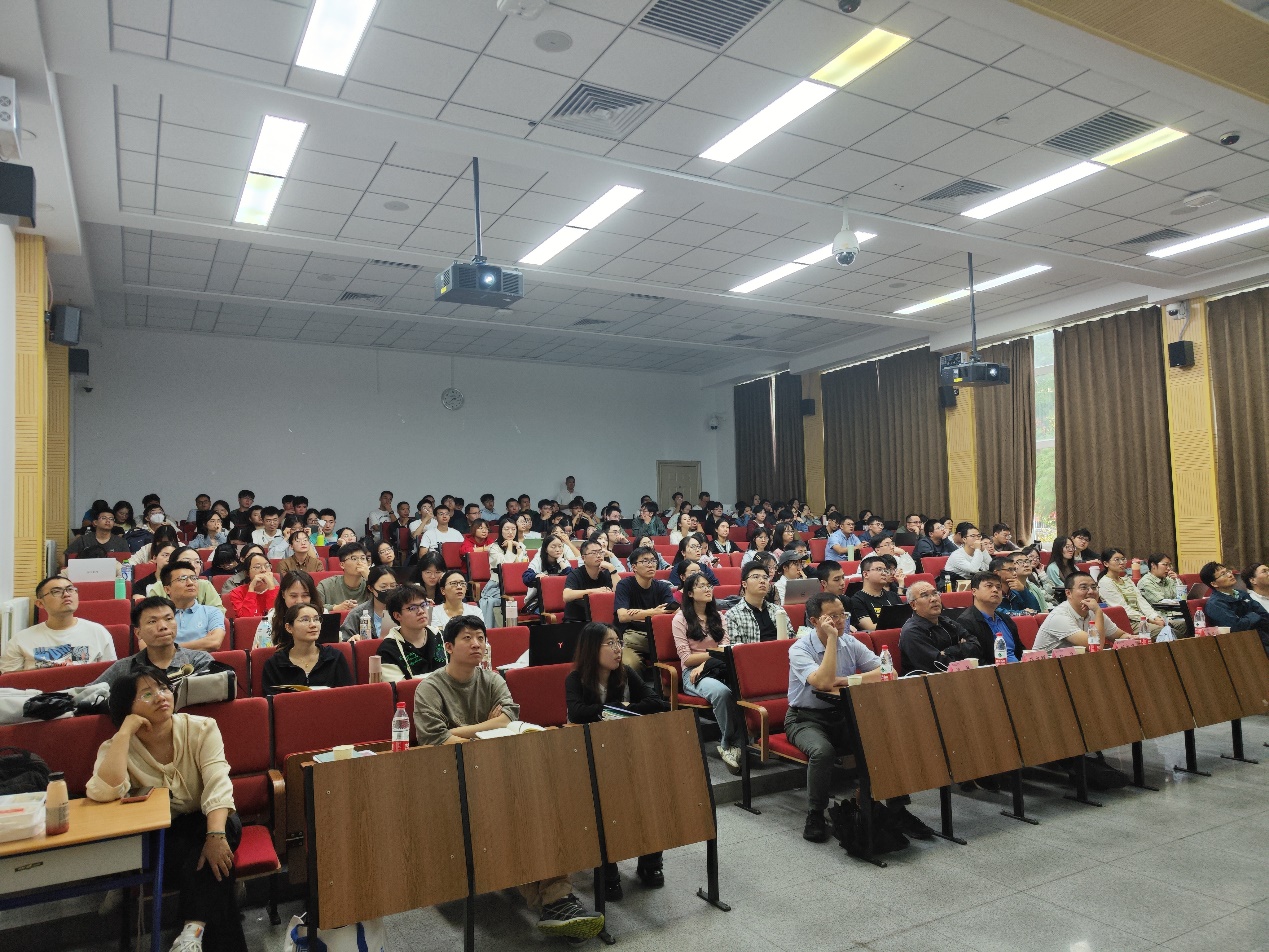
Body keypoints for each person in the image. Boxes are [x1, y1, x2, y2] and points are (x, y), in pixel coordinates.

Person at [413, 616, 604, 938]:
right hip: (453, 778)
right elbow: (435, 739)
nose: (476, 644)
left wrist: (461, 731)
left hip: (500, 771)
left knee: (541, 809)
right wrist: (482, 731)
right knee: (512, 818)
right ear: (448, 647)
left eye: (480, 637)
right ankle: (556, 902)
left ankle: (557, 901)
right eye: (467, 638)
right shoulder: (429, 688)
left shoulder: (492, 679)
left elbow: (507, 719)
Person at [88, 668, 247, 952]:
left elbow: (218, 782)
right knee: (216, 870)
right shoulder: (118, 747)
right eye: (147, 694)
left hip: (208, 820)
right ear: (127, 707)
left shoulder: (201, 728)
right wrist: (124, 732)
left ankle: (192, 934)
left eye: (163, 688)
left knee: (223, 832)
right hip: (163, 835)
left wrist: (215, 835)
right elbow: (103, 791)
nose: (161, 697)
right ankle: (191, 933)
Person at [786, 593, 929, 843]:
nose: (840, 621)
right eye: (832, 617)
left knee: (884, 742)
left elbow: (888, 671)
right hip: (805, 718)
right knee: (822, 752)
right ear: (814, 621)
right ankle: (815, 813)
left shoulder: (850, 642)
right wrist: (832, 639)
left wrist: (846, 680)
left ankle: (897, 810)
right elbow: (822, 682)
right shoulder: (800, 649)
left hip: (845, 714)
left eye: (842, 614)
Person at [564, 622, 669, 899]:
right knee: (603, 805)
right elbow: (577, 712)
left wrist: (621, 708)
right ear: (592, 649)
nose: (617, 649)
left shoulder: (626, 674)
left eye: (618, 643)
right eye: (610, 643)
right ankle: (607, 870)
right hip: (589, 756)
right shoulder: (575, 679)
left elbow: (656, 702)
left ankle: (650, 862)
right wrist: (617, 709)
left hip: (628, 752)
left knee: (652, 795)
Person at [673, 574, 746, 772]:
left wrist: (708, 661)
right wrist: (713, 656)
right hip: (693, 674)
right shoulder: (680, 619)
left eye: (709, 585)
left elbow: (726, 647)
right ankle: (728, 744)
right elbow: (687, 659)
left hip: (717, 667)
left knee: (746, 686)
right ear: (690, 593)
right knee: (722, 692)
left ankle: (747, 738)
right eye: (701, 586)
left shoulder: (718, 616)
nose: (707, 589)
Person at [1, 576, 117, 671]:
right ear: (40, 603)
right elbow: (11, 682)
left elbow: (110, 676)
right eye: (56, 591)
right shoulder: (20, 640)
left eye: (70, 589)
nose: (66, 594)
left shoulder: (98, 632)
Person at [95, 597, 215, 689]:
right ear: (138, 633)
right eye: (152, 621)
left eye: (169, 619)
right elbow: (88, 695)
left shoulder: (200, 661)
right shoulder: (123, 668)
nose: (163, 626)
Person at [261, 604, 354, 695]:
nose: (313, 625)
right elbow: (271, 702)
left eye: (316, 619)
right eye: (305, 620)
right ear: (289, 628)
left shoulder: (334, 657)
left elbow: (347, 696)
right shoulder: (275, 664)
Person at [613, 547, 677, 677]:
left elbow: (674, 612)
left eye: (653, 560)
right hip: (632, 638)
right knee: (630, 664)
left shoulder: (662, 587)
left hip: (657, 636)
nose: (650, 564)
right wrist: (654, 612)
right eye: (645, 561)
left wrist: (639, 614)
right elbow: (623, 616)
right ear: (634, 567)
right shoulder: (625, 585)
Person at [898, 581, 981, 673]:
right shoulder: (912, 632)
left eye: (935, 593)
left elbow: (976, 646)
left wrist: (948, 651)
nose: (933, 599)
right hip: (927, 680)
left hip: (960, 675)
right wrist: (963, 650)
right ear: (913, 605)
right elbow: (940, 665)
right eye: (925, 595)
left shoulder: (946, 621)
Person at [1033, 572, 1126, 652]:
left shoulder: (1093, 610)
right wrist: (1098, 612)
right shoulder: (1059, 616)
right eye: (1084, 588)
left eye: (1094, 587)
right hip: (1045, 665)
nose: (1091, 591)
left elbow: (1120, 635)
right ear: (1068, 593)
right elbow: (1095, 646)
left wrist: (1131, 638)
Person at [1098, 548, 1174, 639]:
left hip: (1141, 619)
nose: (1121, 562)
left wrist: (1155, 617)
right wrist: (1149, 620)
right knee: (1168, 632)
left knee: (1180, 627)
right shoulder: (1105, 582)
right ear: (1106, 563)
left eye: (1123, 559)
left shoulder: (1127, 580)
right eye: (1117, 559)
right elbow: (1123, 609)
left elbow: (1141, 602)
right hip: (1128, 623)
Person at [375, 584, 444, 681]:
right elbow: (400, 688)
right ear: (397, 616)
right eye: (413, 608)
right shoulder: (388, 650)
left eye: (423, 605)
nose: (421, 611)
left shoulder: (442, 636)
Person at [1199, 562, 1269, 654]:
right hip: (1243, 645)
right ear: (1214, 584)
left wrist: (1251, 618)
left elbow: (1265, 616)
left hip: (1262, 637)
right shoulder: (1215, 604)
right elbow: (1236, 627)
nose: (1230, 575)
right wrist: (1253, 615)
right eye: (1223, 574)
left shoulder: (1241, 594)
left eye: (1228, 571)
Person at [956, 572, 1023, 664]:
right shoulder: (966, 622)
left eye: (998, 587)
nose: (995, 590)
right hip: (992, 671)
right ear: (974, 591)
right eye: (989, 586)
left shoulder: (1006, 619)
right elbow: (976, 660)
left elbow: (1020, 651)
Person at [161, 562, 227, 651]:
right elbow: (147, 648)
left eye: (194, 578)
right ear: (167, 589)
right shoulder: (158, 615)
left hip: (202, 660)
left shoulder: (212, 612)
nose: (190, 583)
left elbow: (214, 642)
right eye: (182, 579)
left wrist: (168, 648)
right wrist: (202, 642)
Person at [251, 571, 324, 649]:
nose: (299, 601)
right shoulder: (270, 620)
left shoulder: (323, 614)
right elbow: (264, 651)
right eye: (293, 596)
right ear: (283, 594)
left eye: (305, 595)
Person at [723, 563, 790, 644]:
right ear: (744, 584)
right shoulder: (732, 615)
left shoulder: (778, 610)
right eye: (756, 577)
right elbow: (736, 649)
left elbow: (791, 639)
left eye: (765, 578)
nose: (762, 581)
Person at [563, 540, 617, 623]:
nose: (598, 556)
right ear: (583, 558)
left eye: (601, 552)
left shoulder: (606, 573)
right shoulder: (576, 574)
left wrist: (612, 569)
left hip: (601, 620)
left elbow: (620, 593)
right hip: (577, 620)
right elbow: (566, 596)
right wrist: (594, 591)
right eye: (594, 553)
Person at [844, 555, 900, 631]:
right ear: (866, 574)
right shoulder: (857, 600)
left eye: (885, 570)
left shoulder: (893, 596)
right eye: (879, 569)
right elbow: (870, 628)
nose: (884, 573)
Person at [341, 566, 397, 641]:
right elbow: (344, 640)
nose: (389, 590)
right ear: (371, 588)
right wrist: (352, 640)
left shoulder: (403, 610)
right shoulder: (357, 614)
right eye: (383, 586)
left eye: (393, 586)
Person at [62, 505, 130, 566]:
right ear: (95, 522)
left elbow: (128, 561)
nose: (108, 521)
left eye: (111, 519)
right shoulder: (83, 540)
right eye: (104, 518)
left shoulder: (121, 542)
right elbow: (63, 559)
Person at [316, 543, 370, 612]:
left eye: (363, 558)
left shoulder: (370, 585)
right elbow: (313, 605)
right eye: (354, 559)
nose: (360, 562)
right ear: (342, 565)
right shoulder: (326, 585)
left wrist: (370, 577)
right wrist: (335, 608)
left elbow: (382, 603)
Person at [226, 551, 278, 620]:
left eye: (267, 566)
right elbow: (247, 621)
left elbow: (277, 618)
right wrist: (251, 589)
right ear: (247, 573)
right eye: (257, 567)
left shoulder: (281, 590)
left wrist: (271, 587)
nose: (263, 570)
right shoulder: (237, 593)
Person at [1137, 553, 1185, 626]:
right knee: (1186, 622)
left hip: (1176, 614)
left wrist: (1177, 580)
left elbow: (1182, 597)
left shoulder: (1169, 579)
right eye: (1165, 565)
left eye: (1170, 565)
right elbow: (1161, 603)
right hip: (1161, 617)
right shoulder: (1146, 582)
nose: (1168, 568)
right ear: (1153, 565)